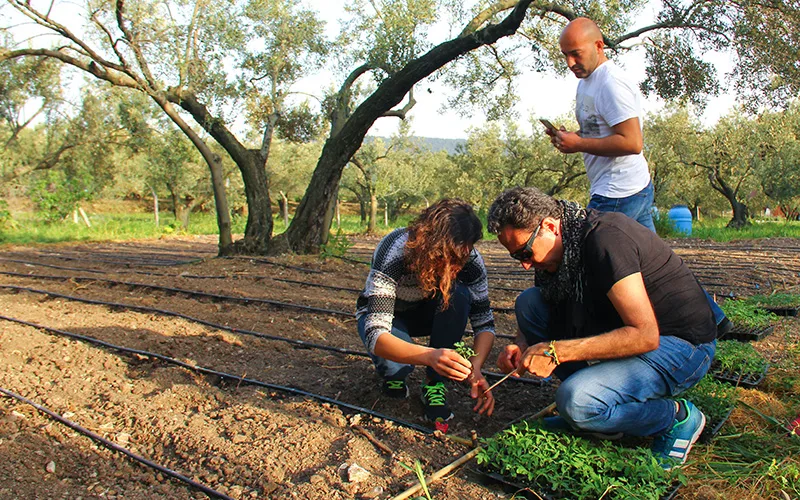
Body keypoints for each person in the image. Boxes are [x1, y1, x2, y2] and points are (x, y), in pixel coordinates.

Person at [487, 187, 715, 469]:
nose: (524, 264)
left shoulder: (606, 240)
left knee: (575, 400)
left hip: (681, 346)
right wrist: (522, 346)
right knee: (529, 304)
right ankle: (600, 413)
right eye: (516, 256)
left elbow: (645, 335)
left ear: (549, 226)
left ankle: (675, 418)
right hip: (630, 334)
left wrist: (557, 351)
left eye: (525, 252)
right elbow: (545, 303)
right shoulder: (560, 251)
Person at [548, 16, 730, 335]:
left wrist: (579, 143)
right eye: (565, 55)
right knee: (658, 261)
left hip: (619, 193)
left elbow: (632, 142)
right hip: (625, 187)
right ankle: (714, 318)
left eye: (575, 53)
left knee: (598, 262)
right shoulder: (587, 83)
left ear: (598, 46)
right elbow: (599, 132)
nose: (570, 61)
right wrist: (573, 139)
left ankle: (620, 333)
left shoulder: (611, 83)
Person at [356, 199, 496, 425]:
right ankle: (394, 374)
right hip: (390, 314)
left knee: (459, 295)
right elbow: (375, 335)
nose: (455, 267)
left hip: (427, 310)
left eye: (461, 258)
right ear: (427, 243)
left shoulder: (470, 260)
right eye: (447, 258)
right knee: (396, 368)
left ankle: (434, 382)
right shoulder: (394, 250)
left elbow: (484, 322)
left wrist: (475, 370)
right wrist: (429, 356)